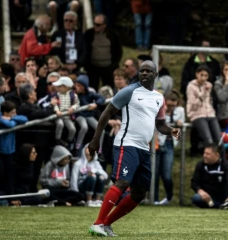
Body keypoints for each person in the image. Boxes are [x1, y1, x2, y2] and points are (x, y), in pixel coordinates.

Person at [87, 60, 181, 237]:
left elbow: (159, 124)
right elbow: (106, 113)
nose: (144, 73)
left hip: (144, 149)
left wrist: (171, 131)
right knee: (122, 183)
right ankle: (98, 223)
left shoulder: (158, 98)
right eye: (142, 71)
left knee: (139, 193)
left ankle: (106, 224)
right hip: (126, 142)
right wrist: (95, 140)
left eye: (148, 71)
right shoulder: (130, 91)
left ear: (156, 75)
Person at [191, 143, 228, 209]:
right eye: (204, 153)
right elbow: (194, 183)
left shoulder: (226, 165)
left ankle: (227, 202)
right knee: (196, 198)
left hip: (224, 194)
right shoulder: (200, 165)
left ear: (217, 155)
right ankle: (226, 204)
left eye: (208, 154)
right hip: (209, 197)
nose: (204, 155)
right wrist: (200, 191)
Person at [154, 91, 185, 205]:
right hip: (157, 143)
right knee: (155, 173)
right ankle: (155, 199)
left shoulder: (180, 111)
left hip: (169, 144)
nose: (171, 107)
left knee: (166, 174)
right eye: (169, 105)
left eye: (174, 105)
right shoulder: (158, 110)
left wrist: (180, 123)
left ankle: (169, 197)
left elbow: (181, 126)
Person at [0, 101, 28, 193]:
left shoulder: (13, 118)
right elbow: (10, 125)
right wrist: (2, 119)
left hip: (10, 150)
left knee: (8, 173)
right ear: (5, 113)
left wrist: (12, 117)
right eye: (12, 113)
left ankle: (4, 193)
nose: (15, 114)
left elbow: (25, 119)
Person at [84, 14, 123, 90]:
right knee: (92, 88)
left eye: (98, 25)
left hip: (108, 67)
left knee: (109, 89)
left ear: (104, 25)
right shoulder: (89, 34)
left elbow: (118, 51)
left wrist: (114, 64)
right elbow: (85, 50)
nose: (95, 26)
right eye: (94, 23)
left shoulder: (113, 35)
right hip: (93, 67)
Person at [74, 75, 105, 157]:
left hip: (88, 115)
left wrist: (96, 104)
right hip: (80, 115)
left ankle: (99, 150)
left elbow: (101, 98)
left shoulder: (90, 93)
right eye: (76, 85)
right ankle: (77, 147)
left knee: (101, 130)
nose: (77, 87)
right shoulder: (75, 94)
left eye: (79, 86)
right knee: (84, 127)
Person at [52, 76, 79, 147]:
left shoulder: (73, 95)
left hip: (67, 116)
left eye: (60, 86)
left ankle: (69, 142)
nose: (57, 88)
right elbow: (54, 104)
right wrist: (57, 110)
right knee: (60, 124)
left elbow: (77, 103)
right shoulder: (56, 95)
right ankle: (57, 140)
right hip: (59, 115)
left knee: (72, 129)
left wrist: (73, 108)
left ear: (66, 87)